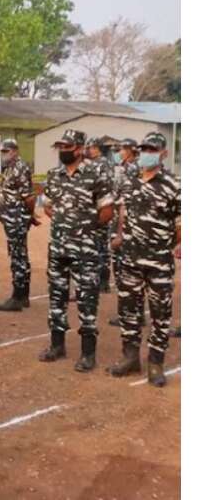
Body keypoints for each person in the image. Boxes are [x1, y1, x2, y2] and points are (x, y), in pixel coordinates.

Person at [107, 132, 180, 387]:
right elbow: (123, 212)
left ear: (163, 154)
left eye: (152, 149)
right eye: (144, 148)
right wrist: (120, 236)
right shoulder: (129, 181)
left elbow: (181, 221)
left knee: (160, 314)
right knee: (129, 311)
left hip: (159, 262)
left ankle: (156, 363)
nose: (146, 152)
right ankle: (130, 357)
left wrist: (173, 244)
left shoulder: (174, 184)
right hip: (130, 260)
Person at [38, 129, 114, 372]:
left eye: (67, 147)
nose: (62, 151)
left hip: (86, 251)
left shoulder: (95, 175)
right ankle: (57, 345)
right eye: (60, 146)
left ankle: (87, 353)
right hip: (58, 248)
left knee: (87, 300)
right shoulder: (54, 176)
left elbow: (107, 211)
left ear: (79, 149)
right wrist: (64, 222)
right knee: (57, 298)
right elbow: (48, 206)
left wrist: (84, 229)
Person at [0, 138, 40, 311]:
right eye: (2, 152)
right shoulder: (10, 168)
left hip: (17, 219)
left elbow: (29, 197)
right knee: (19, 256)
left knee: (18, 258)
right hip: (12, 218)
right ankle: (23, 296)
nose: (3, 155)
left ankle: (18, 297)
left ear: (15, 151)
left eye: (6, 151)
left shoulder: (20, 168)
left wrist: (29, 215)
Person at [107, 139, 144, 327]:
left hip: (126, 226)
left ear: (130, 150)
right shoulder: (124, 167)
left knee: (125, 270)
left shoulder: (131, 169)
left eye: (121, 149)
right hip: (120, 223)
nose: (118, 152)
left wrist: (120, 234)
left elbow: (125, 204)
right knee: (124, 270)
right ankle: (131, 312)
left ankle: (130, 314)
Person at [85, 137, 114, 294]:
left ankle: (100, 280)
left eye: (91, 147)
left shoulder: (98, 164)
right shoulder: (108, 163)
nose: (89, 150)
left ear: (97, 148)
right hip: (105, 205)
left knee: (97, 246)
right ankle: (103, 281)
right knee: (102, 245)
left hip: (98, 208)